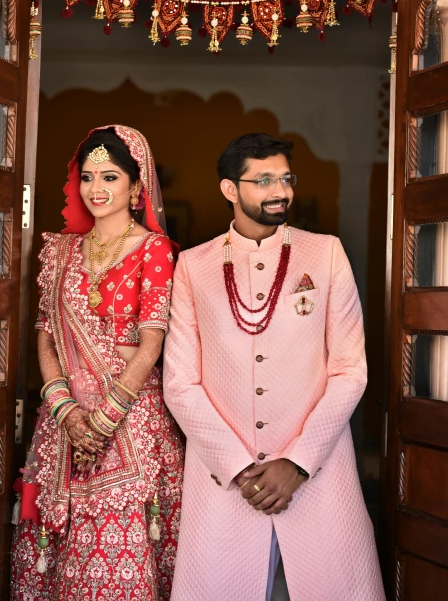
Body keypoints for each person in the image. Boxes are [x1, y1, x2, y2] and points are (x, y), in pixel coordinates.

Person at [163, 132, 385, 601]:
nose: (279, 191)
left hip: (318, 473)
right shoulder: (192, 266)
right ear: (230, 189)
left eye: (285, 179)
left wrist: (298, 464)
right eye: (263, 180)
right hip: (226, 480)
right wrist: (241, 466)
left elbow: (350, 370)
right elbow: (180, 384)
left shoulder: (325, 254)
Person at [11, 125, 184, 601]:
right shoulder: (59, 250)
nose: (96, 189)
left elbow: (151, 346)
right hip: (64, 424)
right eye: (88, 177)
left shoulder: (155, 250)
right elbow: (45, 337)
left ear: (136, 184)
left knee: (120, 563)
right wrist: (66, 411)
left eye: (110, 176)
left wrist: (105, 418)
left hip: (130, 424)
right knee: (57, 557)